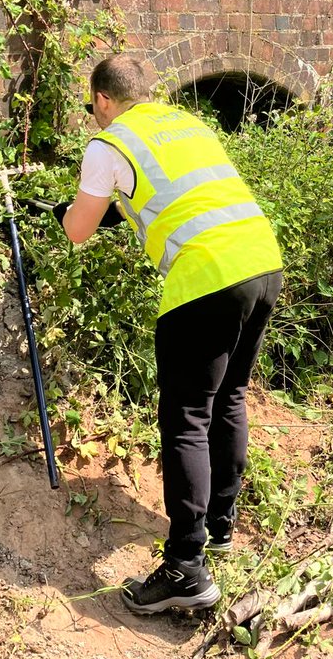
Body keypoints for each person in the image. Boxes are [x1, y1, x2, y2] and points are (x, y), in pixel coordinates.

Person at [54, 54, 283, 613]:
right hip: (262, 263)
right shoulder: (187, 123)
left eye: (92, 108)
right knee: (229, 397)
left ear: (103, 100)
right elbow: (176, 195)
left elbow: (78, 230)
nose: (95, 117)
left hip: (205, 279)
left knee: (186, 419)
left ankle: (186, 567)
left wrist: (62, 211)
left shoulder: (109, 144)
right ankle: (219, 528)